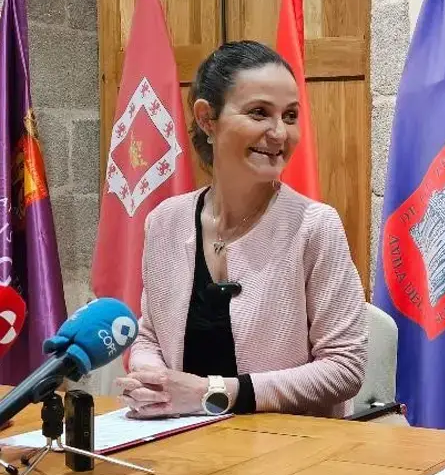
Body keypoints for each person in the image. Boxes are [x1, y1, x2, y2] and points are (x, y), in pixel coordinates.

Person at [115, 41, 367, 419]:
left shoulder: (316, 225)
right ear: (207, 118)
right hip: (176, 440)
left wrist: (212, 393)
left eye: (291, 115)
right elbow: (149, 335)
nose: (280, 133)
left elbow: (345, 368)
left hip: (289, 448)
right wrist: (152, 380)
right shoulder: (164, 221)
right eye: (260, 113)